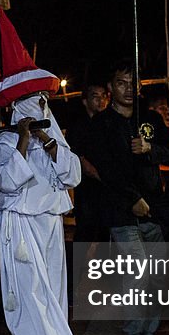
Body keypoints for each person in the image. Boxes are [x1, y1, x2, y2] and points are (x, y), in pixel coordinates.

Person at [0, 9, 81, 335]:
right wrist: (25, 139)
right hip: (20, 224)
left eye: (43, 97)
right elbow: (6, 182)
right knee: (30, 289)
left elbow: (72, 173)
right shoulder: (5, 142)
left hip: (50, 221)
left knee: (54, 288)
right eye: (32, 98)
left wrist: (48, 141)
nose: (41, 103)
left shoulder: (53, 138)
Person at [86, 59, 169, 335]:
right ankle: (132, 334)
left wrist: (151, 150)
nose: (127, 88)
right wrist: (131, 200)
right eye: (121, 82)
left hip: (154, 209)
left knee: (159, 275)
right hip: (122, 212)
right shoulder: (101, 125)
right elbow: (105, 170)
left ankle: (149, 331)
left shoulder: (149, 119)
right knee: (135, 273)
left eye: (131, 83)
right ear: (111, 87)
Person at [66, 82, 109, 244]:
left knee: (107, 234)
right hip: (88, 190)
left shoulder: (110, 124)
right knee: (86, 233)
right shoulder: (78, 126)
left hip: (109, 191)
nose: (101, 100)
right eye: (95, 96)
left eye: (104, 96)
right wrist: (105, 178)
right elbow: (81, 160)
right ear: (85, 101)